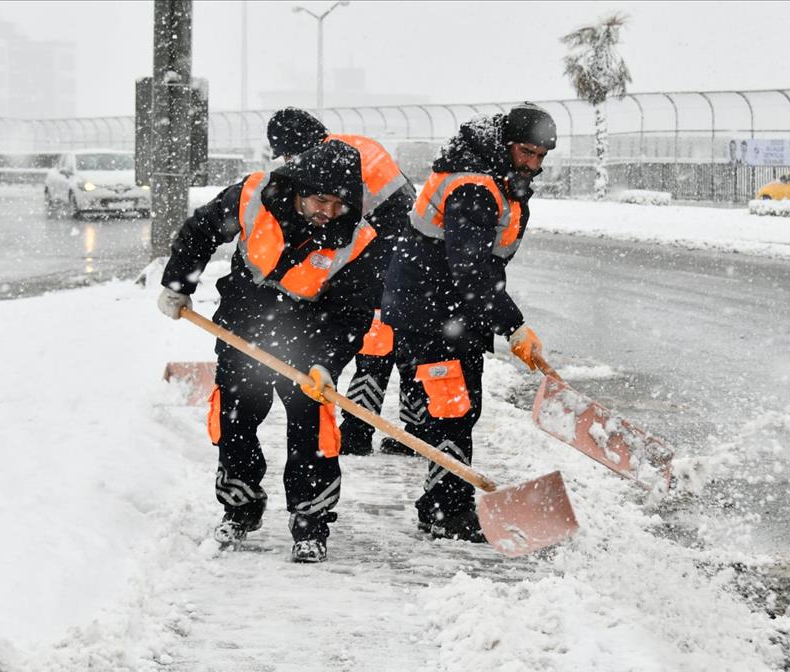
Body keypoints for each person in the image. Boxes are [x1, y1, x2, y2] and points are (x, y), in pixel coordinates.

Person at [156, 140, 385, 564]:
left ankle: (311, 525)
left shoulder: (358, 238)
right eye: (320, 200)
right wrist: (177, 284)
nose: (328, 212)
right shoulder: (253, 196)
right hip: (243, 327)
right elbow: (199, 232)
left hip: (308, 338)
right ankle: (240, 508)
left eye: (339, 203)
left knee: (313, 432)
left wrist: (326, 362)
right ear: (300, 188)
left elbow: (352, 314)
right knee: (234, 420)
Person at [380, 103, 555, 542]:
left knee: (457, 409)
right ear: (505, 145)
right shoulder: (474, 186)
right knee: (453, 410)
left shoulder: (494, 177)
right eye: (526, 152)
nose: (532, 164)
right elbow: (470, 269)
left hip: (448, 311)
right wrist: (512, 325)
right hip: (432, 313)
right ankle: (445, 512)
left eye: (540, 156)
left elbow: (480, 268)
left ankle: (442, 505)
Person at [267, 107, 421, 457]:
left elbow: (340, 224)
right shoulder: (354, 145)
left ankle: (357, 430)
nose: (291, 161)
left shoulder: (333, 163)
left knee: (376, 337)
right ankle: (415, 428)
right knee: (404, 339)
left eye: (290, 153)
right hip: (406, 248)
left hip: (387, 249)